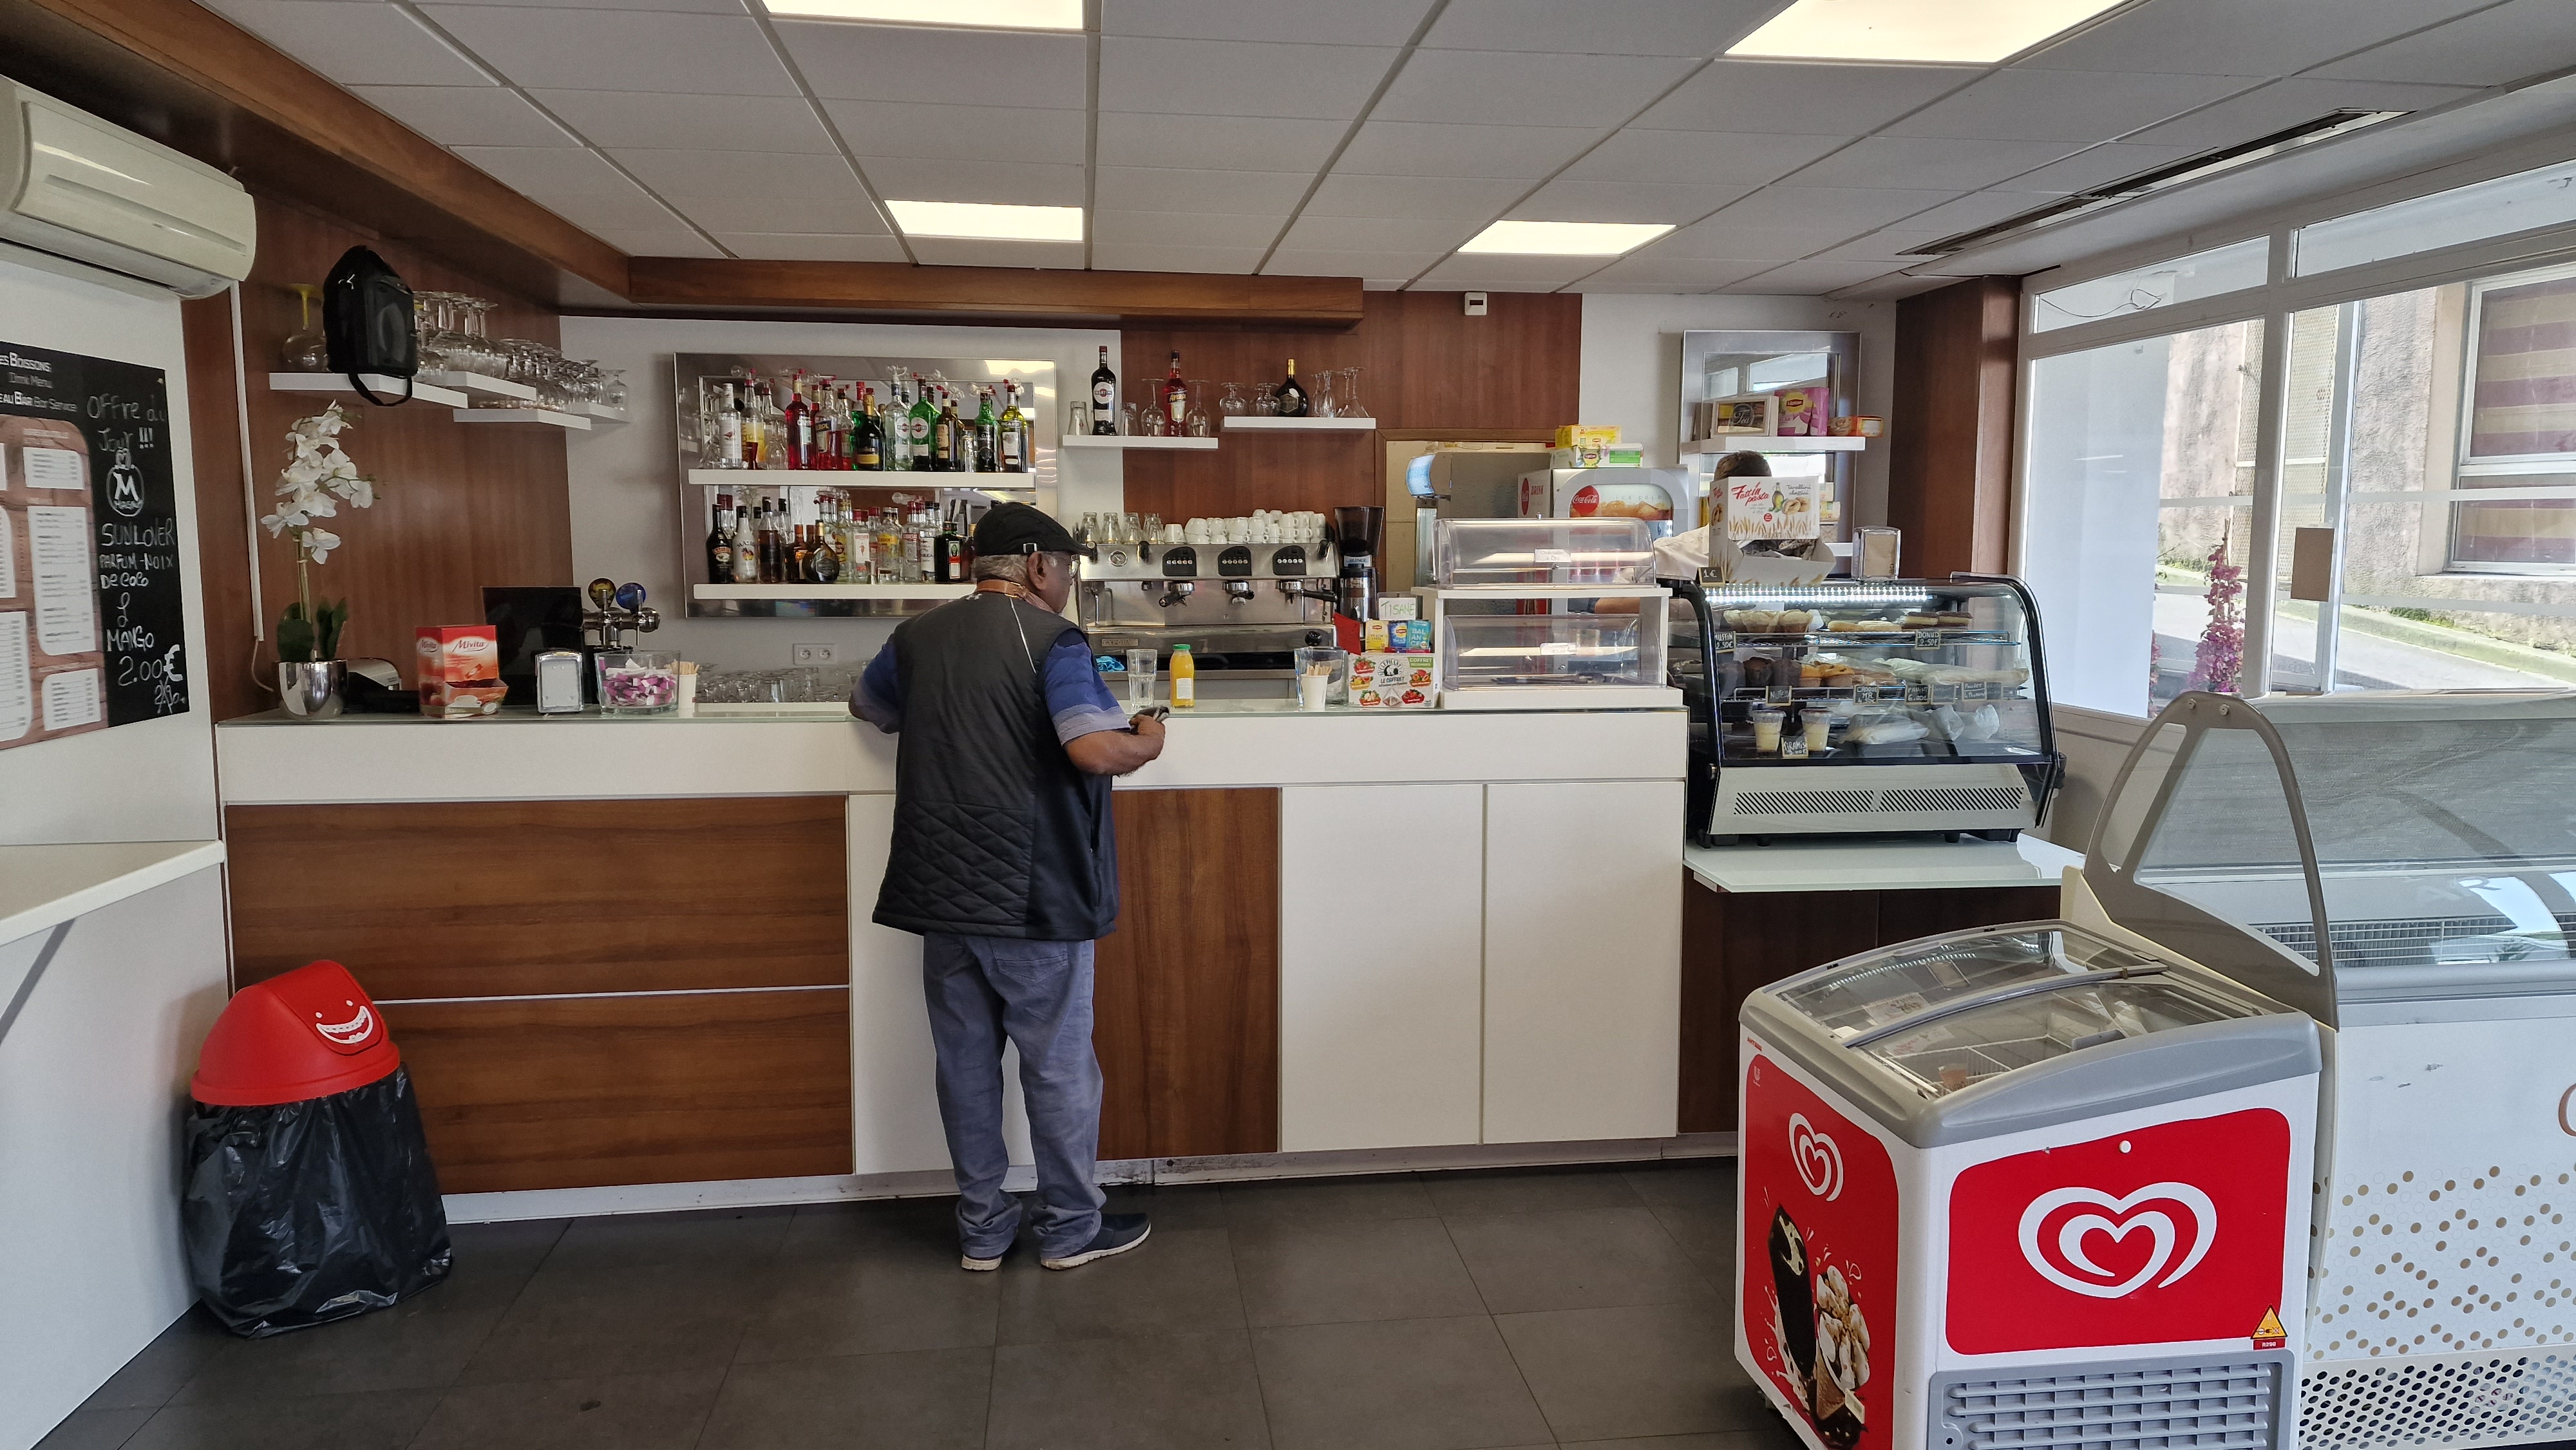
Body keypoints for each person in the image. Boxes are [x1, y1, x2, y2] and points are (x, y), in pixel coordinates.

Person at [849, 502, 1166, 1272]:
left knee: (964, 1063)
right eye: (1068, 568)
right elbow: (1093, 750)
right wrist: (1149, 738)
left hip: (940, 891)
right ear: (1036, 565)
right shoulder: (1053, 640)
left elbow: (869, 706)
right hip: (1033, 892)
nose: (1070, 582)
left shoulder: (917, 635)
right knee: (1057, 1065)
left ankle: (983, 1229)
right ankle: (1069, 1228)